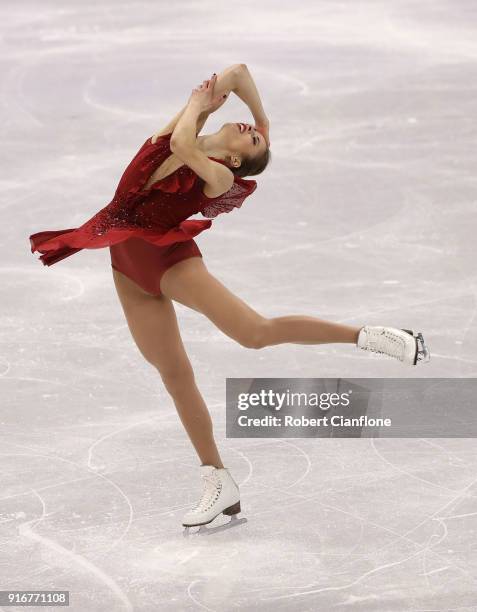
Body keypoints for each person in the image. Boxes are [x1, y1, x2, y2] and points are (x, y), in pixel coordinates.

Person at [29, 64, 430, 533]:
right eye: (252, 134)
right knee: (174, 374)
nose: (248, 132)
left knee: (254, 333)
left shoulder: (214, 174)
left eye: (253, 143)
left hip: (168, 259)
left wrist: (197, 106)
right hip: (125, 263)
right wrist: (263, 122)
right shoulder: (178, 131)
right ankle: (218, 480)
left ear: (237, 162)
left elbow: (183, 143)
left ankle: (369, 336)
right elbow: (237, 72)